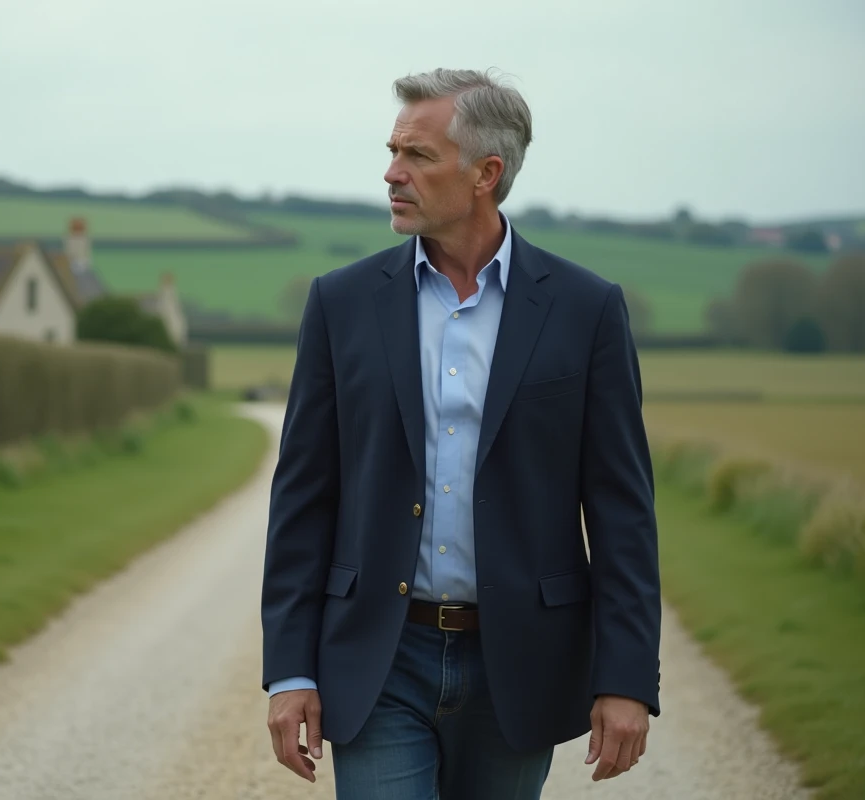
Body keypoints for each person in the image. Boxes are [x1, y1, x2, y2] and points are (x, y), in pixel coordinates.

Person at [260, 68, 662, 800]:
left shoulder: (586, 309)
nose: (392, 173)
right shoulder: (341, 303)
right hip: (379, 658)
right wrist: (289, 670)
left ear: (486, 173)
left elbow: (621, 512)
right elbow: (302, 500)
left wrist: (627, 678)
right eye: (392, 151)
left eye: (417, 155)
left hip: (522, 663)